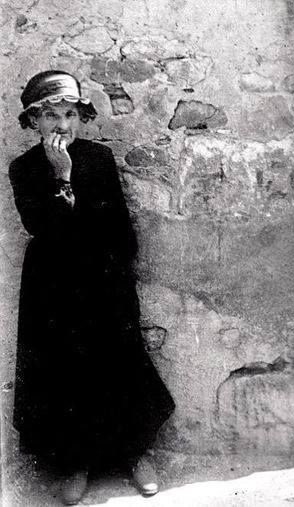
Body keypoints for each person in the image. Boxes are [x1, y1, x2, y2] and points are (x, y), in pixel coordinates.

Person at [9, 70, 175, 505]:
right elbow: (41, 227)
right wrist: (61, 179)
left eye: (69, 115)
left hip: (102, 278)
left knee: (119, 363)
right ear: (33, 122)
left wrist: (102, 251)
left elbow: (116, 227)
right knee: (63, 371)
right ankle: (74, 461)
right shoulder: (23, 169)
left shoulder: (99, 159)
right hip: (53, 287)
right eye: (50, 116)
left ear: (80, 119)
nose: (61, 125)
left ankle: (136, 455)